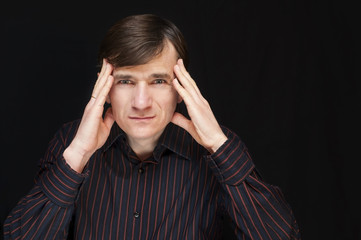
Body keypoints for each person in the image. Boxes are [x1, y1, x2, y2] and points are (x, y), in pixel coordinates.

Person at [4, 14, 301, 239]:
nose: (141, 102)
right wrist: (78, 155)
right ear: (105, 87)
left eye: (158, 81)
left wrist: (219, 147)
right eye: (125, 81)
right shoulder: (71, 140)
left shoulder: (218, 150)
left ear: (182, 87)